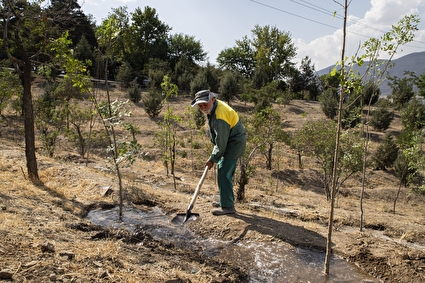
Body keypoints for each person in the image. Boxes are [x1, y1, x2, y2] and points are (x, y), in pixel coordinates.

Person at [191, 90, 246, 215]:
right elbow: (219, 139)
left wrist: (212, 159)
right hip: (228, 141)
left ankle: (228, 207)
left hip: (233, 144)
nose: (203, 108)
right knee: (224, 172)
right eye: (200, 106)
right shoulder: (213, 108)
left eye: (205, 104)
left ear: (212, 99)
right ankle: (225, 200)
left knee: (223, 172)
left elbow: (221, 142)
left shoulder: (220, 115)